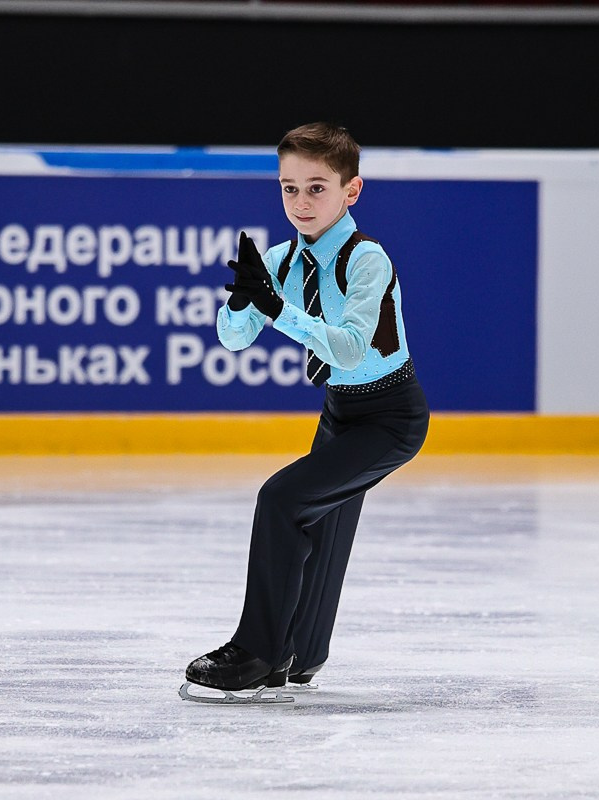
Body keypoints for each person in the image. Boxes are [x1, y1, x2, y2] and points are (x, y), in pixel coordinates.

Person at [182, 122, 429, 702]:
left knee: (282, 498)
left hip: (391, 417)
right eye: (289, 188)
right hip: (340, 411)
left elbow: (347, 347)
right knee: (321, 521)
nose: (300, 202)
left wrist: (277, 308)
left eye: (316, 188)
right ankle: (297, 656)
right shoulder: (280, 260)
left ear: (352, 191)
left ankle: (257, 649)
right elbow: (235, 340)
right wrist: (241, 301)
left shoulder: (367, 259)